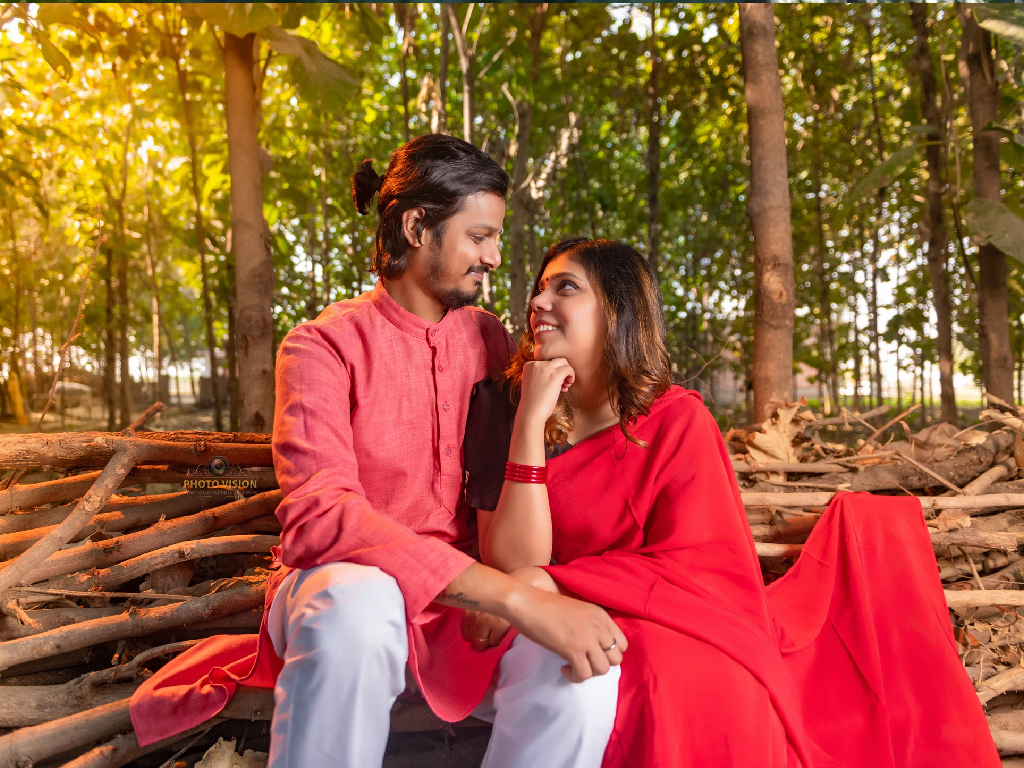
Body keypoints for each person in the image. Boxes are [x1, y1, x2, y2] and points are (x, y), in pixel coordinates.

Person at [130, 137, 625, 768]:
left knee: (584, 670)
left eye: (495, 239)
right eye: (479, 237)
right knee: (357, 607)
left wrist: (522, 587)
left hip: (463, 616)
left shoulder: (491, 341)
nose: (494, 257)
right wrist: (510, 597)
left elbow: (501, 501)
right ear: (417, 227)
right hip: (342, 592)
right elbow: (322, 519)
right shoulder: (320, 347)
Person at [467, 237, 1001, 768]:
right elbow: (513, 569)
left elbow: (702, 564)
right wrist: (530, 422)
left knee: (693, 681)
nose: (538, 302)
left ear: (618, 311)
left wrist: (557, 580)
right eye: (540, 289)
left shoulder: (677, 421)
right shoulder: (504, 404)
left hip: (654, 621)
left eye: (565, 288)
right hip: (527, 630)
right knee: (575, 681)